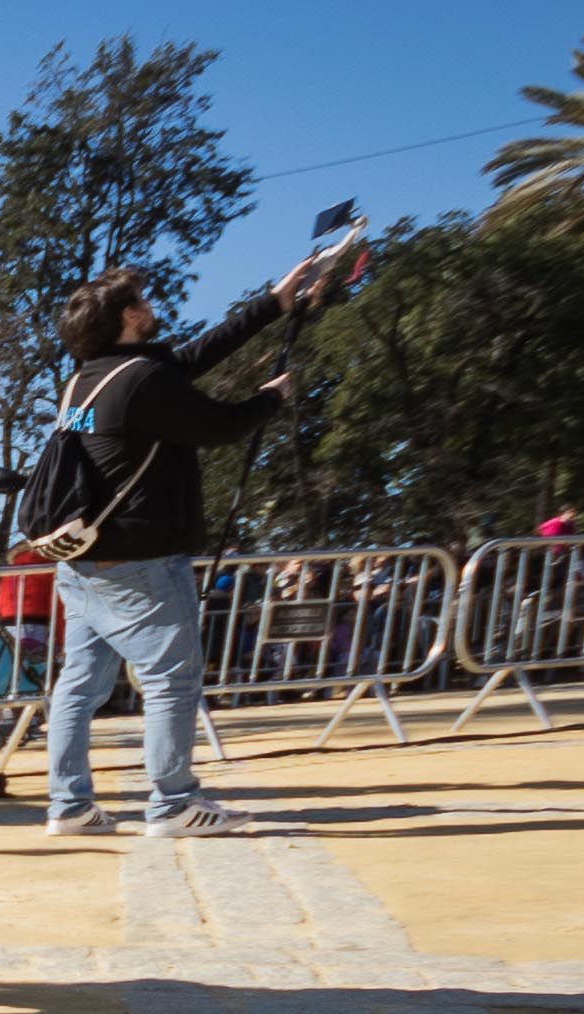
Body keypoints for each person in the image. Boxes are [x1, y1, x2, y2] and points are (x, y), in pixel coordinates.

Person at [35, 257, 339, 838]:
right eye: (143, 303)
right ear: (129, 316)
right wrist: (269, 400)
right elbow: (218, 427)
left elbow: (193, 358)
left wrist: (272, 304)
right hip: (143, 561)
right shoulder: (142, 383)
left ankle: (68, 805)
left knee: (80, 682)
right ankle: (173, 804)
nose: (152, 308)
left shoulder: (83, 382)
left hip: (84, 561)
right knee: (173, 678)